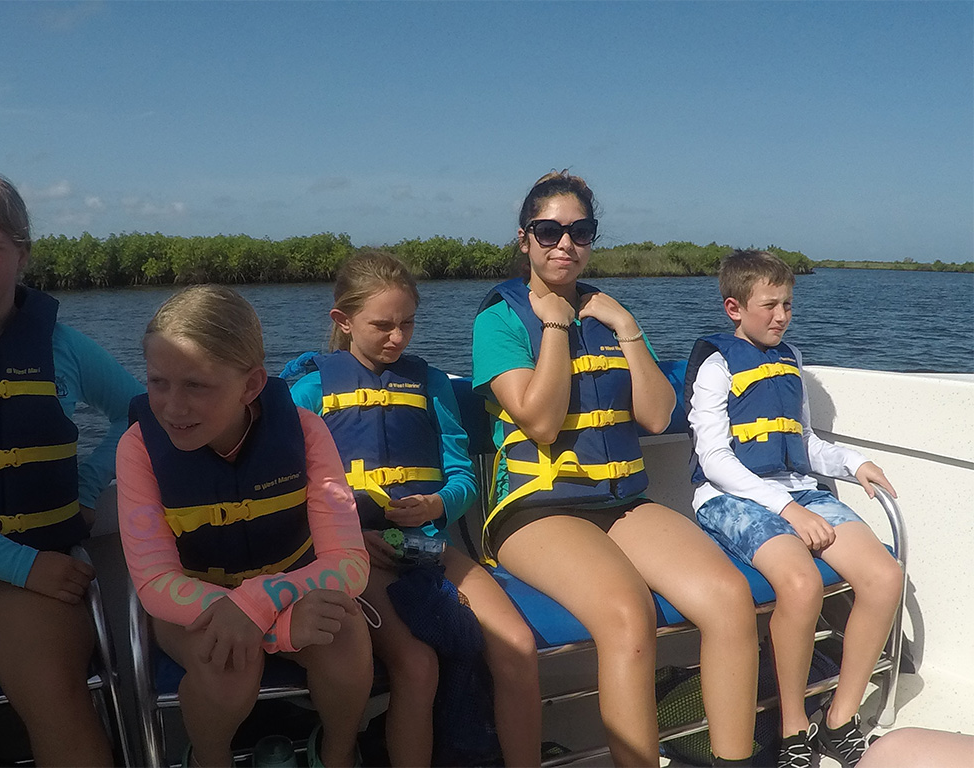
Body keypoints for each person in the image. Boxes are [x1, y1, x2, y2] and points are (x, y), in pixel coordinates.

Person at [471, 171, 759, 768]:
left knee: (728, 595)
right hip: (535, 509)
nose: (564, 244)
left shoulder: (609, 317)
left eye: (580, 231)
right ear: (524, 238)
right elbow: (540, 422)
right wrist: (552, 322)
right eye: (548, 231)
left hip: (619, 499)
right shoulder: (499, 320)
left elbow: (656, 416)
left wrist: (627, 328)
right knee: (627, 613)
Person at [287, 251, 542, 767]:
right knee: (417, 665)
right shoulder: (310, 390)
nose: (397, 338)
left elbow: (464, 476)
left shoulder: (429, 385)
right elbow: (290, 491)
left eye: (407, 324)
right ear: (343, 320)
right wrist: (351, 537)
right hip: (357, 555)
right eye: (382, 325)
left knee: (517, 645)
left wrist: (439, 503)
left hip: (428, 544)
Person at [116, 285, 373, 768]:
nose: (172, 407)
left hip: (288, 591)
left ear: (251, 386)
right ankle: (209, 759)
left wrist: (259, 603)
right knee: (228, 664)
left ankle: (338, 753)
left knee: (346, 635)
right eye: (158, 383)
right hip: (193, 603)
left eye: (196, 385)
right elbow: (154, 584)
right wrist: (272, 630)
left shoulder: (304, 431)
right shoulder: (138, 449)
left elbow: (350, 563)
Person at [0, 174, 143, 766]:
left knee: (58, 710)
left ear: (22, 255)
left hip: (46, 555)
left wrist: (87, 488)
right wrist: (21, 565)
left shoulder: (62, 344)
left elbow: (141, 413)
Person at [685, 249, 904, 768]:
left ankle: (839, 719)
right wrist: (788, 509)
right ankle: (792, 728)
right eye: (769, 306)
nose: (781, 316)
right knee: (801, 584)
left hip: (795, 491)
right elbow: (715, 460)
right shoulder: (716, 366)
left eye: (787, 304)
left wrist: (855, 464)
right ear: (734, 308)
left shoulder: (791, 360)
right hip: (730, 497)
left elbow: (802, 443)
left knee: (884, 577)